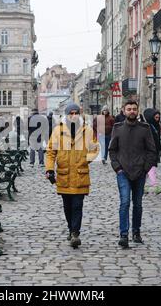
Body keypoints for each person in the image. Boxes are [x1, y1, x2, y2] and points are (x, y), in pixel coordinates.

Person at [46, 102, 100, 248]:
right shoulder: (58, 131)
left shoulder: (87, 130)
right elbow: (51, 151)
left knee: (77, 205)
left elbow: (95, 148)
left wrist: (86, 159)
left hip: (80, 173)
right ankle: (71, 229)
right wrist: (50, 169)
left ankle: (75, 233)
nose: (74, 115)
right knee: (67, 206)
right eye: (71, 113)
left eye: (76, 113)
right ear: (67, 115)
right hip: (64, 174)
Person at [109, 101, 156, 248]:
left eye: (134, 109)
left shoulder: (144, 128)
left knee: (138, 204)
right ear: (124, 111)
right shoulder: (117, 128)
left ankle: (136, 232)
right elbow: (112, 150)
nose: (132, 111)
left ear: (137, 111)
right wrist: (117, 167)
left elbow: (151, 150)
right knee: (124, 202)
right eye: (129, 109)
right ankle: (124, 234)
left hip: (139, 171)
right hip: (123, 171)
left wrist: (145, 167)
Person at [143, 109, 161, 195]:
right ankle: (155, 185)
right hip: (149, 151)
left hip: (155, 150)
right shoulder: (147, 126)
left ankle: (142, 186)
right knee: (152, 168)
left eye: (158, 117)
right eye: (156, 117)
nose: (158, 118)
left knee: (146, 170)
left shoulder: (156, 125)